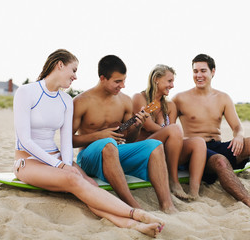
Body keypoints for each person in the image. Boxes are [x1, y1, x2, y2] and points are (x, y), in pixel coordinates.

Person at [13, 49, 165, 237]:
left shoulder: (66, 100)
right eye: (73, 70)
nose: (76, 76)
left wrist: (67, 163)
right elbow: (25, 140)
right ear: (60, 65)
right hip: (27, 160)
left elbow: (66, 142)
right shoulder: (26, 92)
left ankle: (133, 225)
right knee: (72, 179)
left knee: (90, 184)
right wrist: (60, 165)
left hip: (56, 157)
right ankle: (136, 213)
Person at [172, 54, 250, 212]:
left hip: (216, 144)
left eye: (203, 70)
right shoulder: (180, 98)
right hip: (196, 152)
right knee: (220, 160)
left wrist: (238, 136)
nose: (198, 75)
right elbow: (169, 128)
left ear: (213, 72)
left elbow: (237, 126)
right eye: (195, 71)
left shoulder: (223, 98)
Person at [72, 55, 177, 214]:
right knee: (107, 144)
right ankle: (133, 206)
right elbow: (69, 140)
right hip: (88, 157)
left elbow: (129, 139)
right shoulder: (81, 101)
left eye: (124, 80)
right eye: (117, 81)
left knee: (155, 145)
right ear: (102, 78)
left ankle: (167, 205)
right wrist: (99, 136)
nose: (122, 85)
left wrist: (137, 126)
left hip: (115, 152)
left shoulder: (125, 101)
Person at [132, 64, 207, 201]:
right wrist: (170, 131)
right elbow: (148, 126)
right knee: (174, 129)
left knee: (199, 142)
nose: (172, 85)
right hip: (145, 151)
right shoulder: (139, 98)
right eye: (169, 81)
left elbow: (173, 135)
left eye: (173, 81)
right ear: (156, 79)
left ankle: (194, 192)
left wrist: (172, 133)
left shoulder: (170, 105)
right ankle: (173, 180)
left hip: (166, 152)